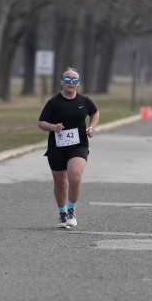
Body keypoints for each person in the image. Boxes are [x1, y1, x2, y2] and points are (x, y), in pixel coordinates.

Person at [38, 67, 100, 229]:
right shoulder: (54, 102)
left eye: (74, 80)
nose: (70, 83)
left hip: (78, 145)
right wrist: (53, 127)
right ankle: (62, 213)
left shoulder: (84, 100)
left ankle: (72, 211)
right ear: (61, 82)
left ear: (78, 83)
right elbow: (41, 123)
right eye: (67, 79)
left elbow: (95, 113)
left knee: (75, 175)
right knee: (60, 183)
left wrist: (91, 127)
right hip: (57, 146)